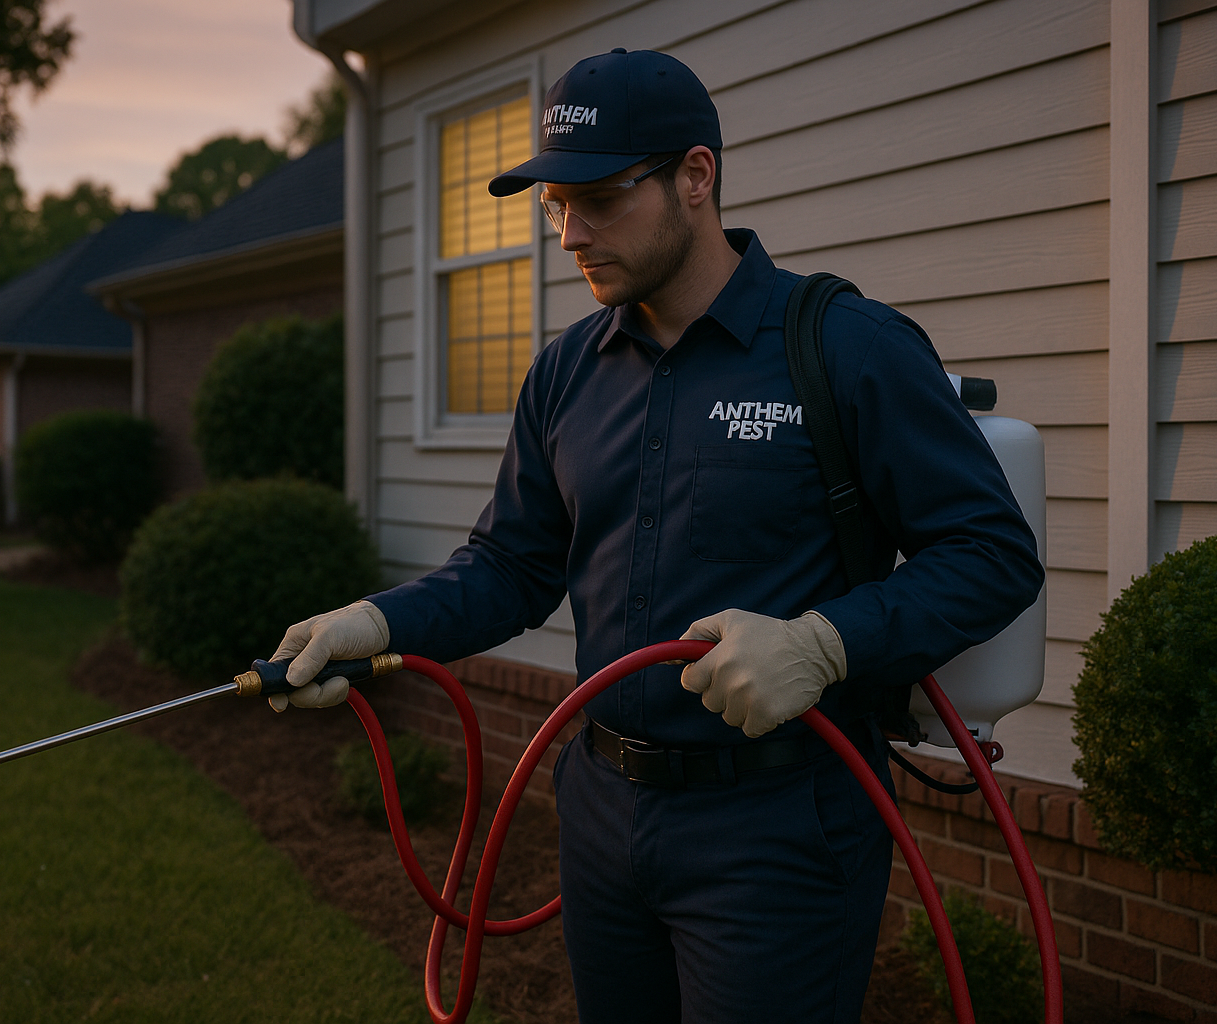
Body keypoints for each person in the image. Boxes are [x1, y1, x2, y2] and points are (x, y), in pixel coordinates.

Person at [265, 48, 1044, 1024]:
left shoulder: (845, 347)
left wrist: (823, 642)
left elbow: (991, 554)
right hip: (602, 808)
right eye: (553, 205)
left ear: (696, 176)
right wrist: (376, 623)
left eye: (597, 197)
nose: (569, 234)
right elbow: (511, 564)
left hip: (780, 821)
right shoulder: (567, 374)